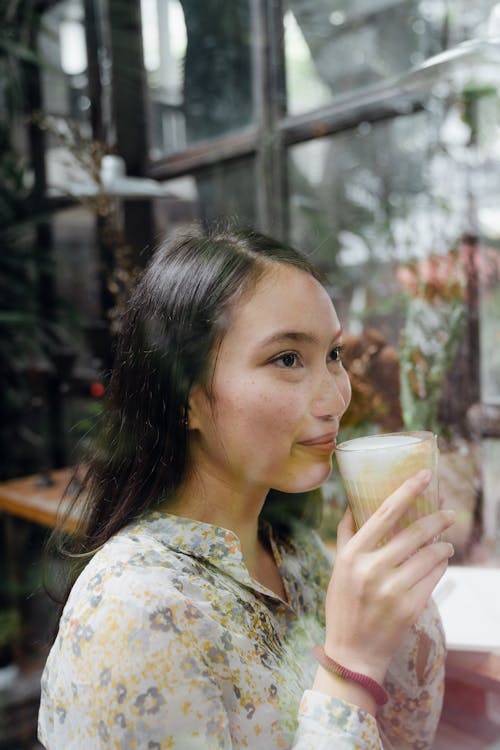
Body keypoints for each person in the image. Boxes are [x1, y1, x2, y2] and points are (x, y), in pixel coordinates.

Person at [38, 226, 455, 749]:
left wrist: (398, 588)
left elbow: (405, 737)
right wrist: (349, 667)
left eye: (334, 354)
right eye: (286, 359)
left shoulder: (296, 553)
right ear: (185, 397)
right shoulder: (132, 612)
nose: (335, 398)